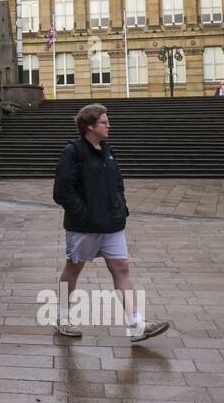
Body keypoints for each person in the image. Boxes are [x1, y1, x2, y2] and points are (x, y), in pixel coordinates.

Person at [51, 103, 168, 343]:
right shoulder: (73, 152)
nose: (109, 125)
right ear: (90, 126)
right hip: (83, 227)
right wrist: (85, 214)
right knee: (73, 269)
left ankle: (136, 323)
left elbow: (117, 184)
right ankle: (63, 317)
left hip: (112, 225)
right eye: (104, 122)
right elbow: (62, 191)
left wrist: (120, 208)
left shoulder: (107, 150)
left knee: (122, 269)